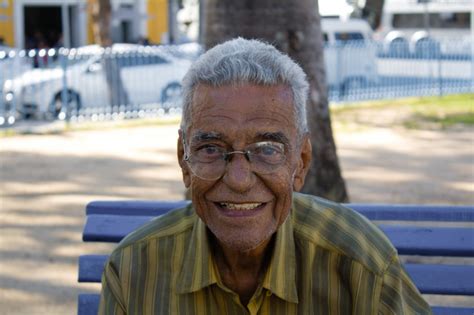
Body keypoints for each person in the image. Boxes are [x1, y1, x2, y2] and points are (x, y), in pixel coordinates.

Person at [99, 38, 431, 314]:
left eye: (267, 149)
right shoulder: (134, 269)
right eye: (212, 149)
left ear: (300, 162)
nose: (240, 179)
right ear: (184, 161)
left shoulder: (361, 264)